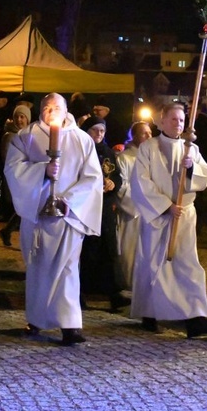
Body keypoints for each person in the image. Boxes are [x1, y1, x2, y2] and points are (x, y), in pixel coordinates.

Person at [3, 93, 102, 345]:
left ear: (66, 109)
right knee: (38, 269)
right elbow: (13, 169)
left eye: (56, 107)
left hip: (67, 218)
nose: (51, 111)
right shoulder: (26, 137)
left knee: (68, 269)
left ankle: (70, 325)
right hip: (37, 217)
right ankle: (36, 319)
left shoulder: (81, 140)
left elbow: (92, 177)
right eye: (46, 107)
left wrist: (70, 201)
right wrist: (41, 172)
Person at [130, 103, 207, 338]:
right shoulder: (149, 148)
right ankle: (151, 311)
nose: (178, 124)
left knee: (187, 264)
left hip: (184, 216)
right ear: (162, 121)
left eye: (181, 120)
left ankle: (195, 316)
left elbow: (204, 178)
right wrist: (165, 206)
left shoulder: (191, 149)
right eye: (174, 119)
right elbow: (141, 181)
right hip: (158, 216)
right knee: (154, 263)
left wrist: (192, 167)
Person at [79, 115, 128, 311]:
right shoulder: (80, 150)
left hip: (104, 208)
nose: (99, 134)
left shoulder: (107, 152)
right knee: (86, 252)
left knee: (108, 250)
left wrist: (113, 183)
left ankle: (113, 293)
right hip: (86, 207)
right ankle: (80, 292)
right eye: (95, 130)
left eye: (102, 131)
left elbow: (116, 175)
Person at [116, 121, 153, 290]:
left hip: (152, 211)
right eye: (144, 133)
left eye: (150, 133)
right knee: (130, 250)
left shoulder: (153, 158)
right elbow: (122, 186)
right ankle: (129, 282)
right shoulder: (125, 158)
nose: (148, 136)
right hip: (134, 212)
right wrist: (139, 202)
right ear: (135, 136)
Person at [0, 105, 32, 246]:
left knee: (25, 207)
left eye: (22, 116)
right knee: (25, 207)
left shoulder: (26, 135)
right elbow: (8, 158)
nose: (19, 119)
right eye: (17, 116)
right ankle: (10, 232)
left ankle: (7, 230)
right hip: (18, 177)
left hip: (26, 176)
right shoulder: (10, 136)